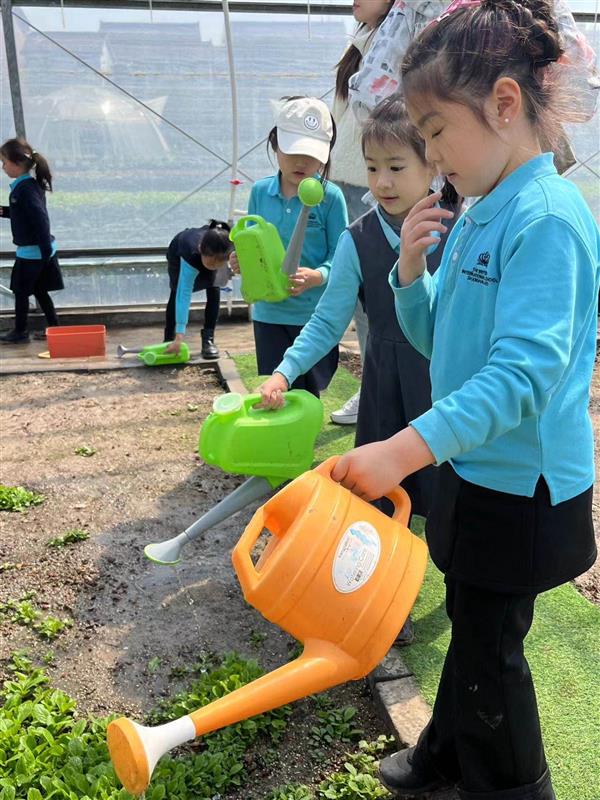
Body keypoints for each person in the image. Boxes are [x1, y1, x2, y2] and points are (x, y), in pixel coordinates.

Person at [328, 2, 599, 799]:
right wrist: (413, 277)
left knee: (492, 658)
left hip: (525, 491)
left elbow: (522, 377)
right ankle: (441, 755)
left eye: (437, 130)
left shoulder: (547, 218)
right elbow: (438, 334)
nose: (431, 153)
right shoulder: (479, 208)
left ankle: (514, 789)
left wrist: (403, 446)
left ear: (506, 103)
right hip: (475, 471)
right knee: (476, 633)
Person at [259, 94, 461, 646]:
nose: (383, 181)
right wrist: (284, 370)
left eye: (397, 167)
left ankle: (459, 598)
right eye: (372, 168)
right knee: (378, 504)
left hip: (448, 390)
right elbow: (328, 322)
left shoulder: (465, 228)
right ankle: (380, 598)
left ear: (433, 167)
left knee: (448, 502)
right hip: (387, 390)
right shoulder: (359, 238)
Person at [230, 96, 348, 397]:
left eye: (311, 154)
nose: (301, 162)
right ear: (274, 144)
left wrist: (317, 276)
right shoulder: (260, 192)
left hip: (312, 318)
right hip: (269, 314)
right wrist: (241, 260)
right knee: (273, 394)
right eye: (292, 150)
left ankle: (301, 444)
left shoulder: (330, 197)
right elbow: (253, 244)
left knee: (307, 395)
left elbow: (343, 257)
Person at [328, 0, 395, 425]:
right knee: (358, 296)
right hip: (347, 181)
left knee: (376, 296)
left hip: (375, 186)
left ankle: (381, 392)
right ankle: (375, 388)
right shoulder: (364, 38)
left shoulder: (400, 34)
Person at [0, 138, 63, 344]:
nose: (3, 167)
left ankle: (20, 331)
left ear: (17, 164)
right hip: (39, 250)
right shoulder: (27, 186)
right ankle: (54, 328)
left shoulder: (25, 189)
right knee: (39, 290)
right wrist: (4, 211)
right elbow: (23, 213)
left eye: (4, 162)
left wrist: (44, 251)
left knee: (20, 291)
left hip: (33, 252)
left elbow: (40, 219)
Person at [164, 220, 233, 360]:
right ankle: (169, 339)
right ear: (201, 249)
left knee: (214, 288)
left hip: (213, 251)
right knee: (177, 290)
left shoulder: (224, 248)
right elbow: (184, 294)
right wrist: (180, 336)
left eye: (219, 262)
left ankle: (208, 339)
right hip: (179, 252)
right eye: (212, 262)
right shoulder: (190, 254)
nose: (214, 266)